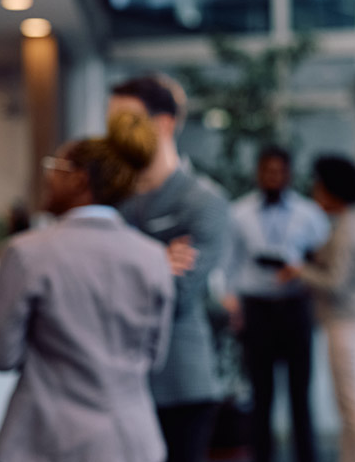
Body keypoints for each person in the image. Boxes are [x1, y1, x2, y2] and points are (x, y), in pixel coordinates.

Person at [0, 111, 174, 462]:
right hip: (131, 441)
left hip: (47, 439)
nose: (47, 176)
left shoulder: (26, 253)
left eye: (54, 167)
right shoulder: (153, 257)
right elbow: (154, 356)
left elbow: (2, 355)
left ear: (79, 179)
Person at [110, 74, 232, 462]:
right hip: (117, 382)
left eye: (126, 122)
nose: (115, 135)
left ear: (163, 124)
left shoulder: (204, 200)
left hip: (180, 382)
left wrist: (119, 270)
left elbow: (177, 294)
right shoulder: (114, 200)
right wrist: (157, 260)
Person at [279, 156, 355, 462]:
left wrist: (299, 272)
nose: (314, 191)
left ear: (332, 189)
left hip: (348, 324)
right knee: (350, 407)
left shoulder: (348, 229)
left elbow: (336, 283)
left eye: (319, 184)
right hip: (348, 322)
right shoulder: (346, 223)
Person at [226, 145, 329, 462]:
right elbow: (230, 263)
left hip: (295, 308)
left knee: (301, 396)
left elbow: (323, 260)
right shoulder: (239, 213)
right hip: (257, 310)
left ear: (288, 174)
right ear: (258, 173)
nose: (273, 176)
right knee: (261, 395)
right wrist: (231, 303)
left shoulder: (309, 213)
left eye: (279, 171)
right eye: (267, 170)